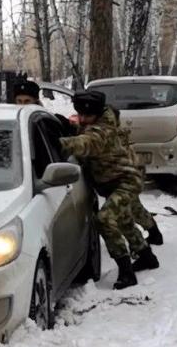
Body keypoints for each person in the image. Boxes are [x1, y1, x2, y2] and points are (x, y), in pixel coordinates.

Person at [59, 91, 159, 290]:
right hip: (115, 181)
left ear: (97, 113)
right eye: (81, 115)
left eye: (88, 116)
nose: (84, 119)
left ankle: (126, 272)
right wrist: (68, 126)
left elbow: (86, 142)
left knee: (105, 219)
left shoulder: (103, 130)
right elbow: (83, 131)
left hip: (126, 181)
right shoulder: (95, 122)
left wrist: (60, 143)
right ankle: (147, 256)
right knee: (123, 219)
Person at [103, 107, 164, 246]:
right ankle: (154, 233)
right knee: (135, 207)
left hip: (126, 177)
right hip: (130, 174)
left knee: (125, 210)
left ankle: (142, 243)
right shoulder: (115, 134)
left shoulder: (111, 136)